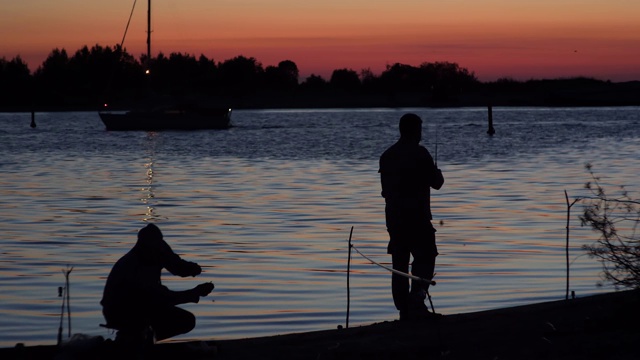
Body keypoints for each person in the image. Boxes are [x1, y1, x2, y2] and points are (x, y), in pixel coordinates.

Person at [101, 223, 214, 345]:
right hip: (119, 310)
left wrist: (192, 269)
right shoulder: (133, 266)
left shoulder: (159, 249)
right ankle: (136, 339)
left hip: (144, 305)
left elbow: (176, 265)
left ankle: (142, 339)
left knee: (186, 320)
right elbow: (160, 298)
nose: (158, 251)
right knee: (182, 320)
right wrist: (194, 293)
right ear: (142, 246)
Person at [379, 113, 444, 321]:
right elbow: (437, 183)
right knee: (426, 256)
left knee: (399, 264)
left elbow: (385, 191)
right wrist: (437, 172)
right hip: (417, 217)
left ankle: (403, 309)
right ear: (414, 130)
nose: (421, 134)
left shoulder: (387, 156)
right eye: (419, 130)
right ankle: (416, 301)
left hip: (394, 219)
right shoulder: (421, 154)